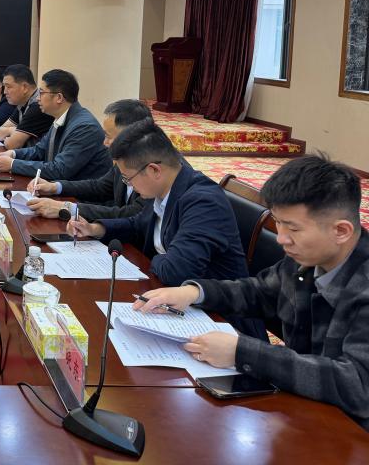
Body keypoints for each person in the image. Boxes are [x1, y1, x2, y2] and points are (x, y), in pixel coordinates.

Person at [134, 155, 369, 431]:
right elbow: (258, 291)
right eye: (278, 223)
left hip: (348, 433)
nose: (281, 238)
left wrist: (242, 352)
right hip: (303, 409)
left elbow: (357, 385)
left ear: (341, 231)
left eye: (293, 228)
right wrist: (194, 292)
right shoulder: (308, 258)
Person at [67, 121, 250, 288]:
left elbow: (176, 272)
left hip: (211, 309)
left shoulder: (203, 203)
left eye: (128, 178)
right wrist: (94, 229)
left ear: (154, 170)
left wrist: (153, 259)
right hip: (167, 292)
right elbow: (137, 225)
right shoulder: (163, 188)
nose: (129, 185)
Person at [27, 98, 153, 220]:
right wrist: (55, 187)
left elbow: (131, 214)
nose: (105, 143)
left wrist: (66, 208)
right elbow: (100, 187)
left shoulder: (151, 171)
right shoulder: (122, 160)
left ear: (129, 137)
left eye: (108, 137)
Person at [0, 69, 110, 181]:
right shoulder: (61, 117)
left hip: (78, 194)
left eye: (41, 93)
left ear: (59, 98)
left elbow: (60, 169)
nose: (37, 98)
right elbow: (40, 150)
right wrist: (13, 154)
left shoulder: (84, 127)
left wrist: (12, 164)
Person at [0, 64, 53, 149]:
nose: (5, 92)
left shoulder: (38, 106)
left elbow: (11, 145)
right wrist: (13, 130)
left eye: (8, 87)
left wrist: (10, 130)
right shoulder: (21, 103)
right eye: (4, 87)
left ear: (24, 87)